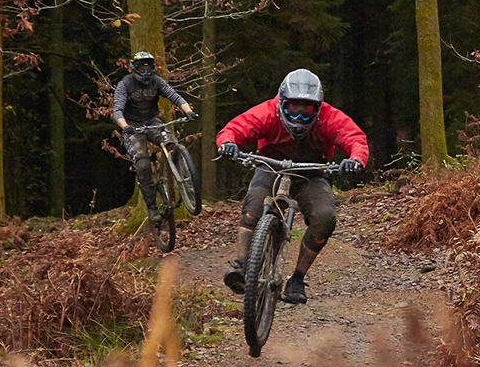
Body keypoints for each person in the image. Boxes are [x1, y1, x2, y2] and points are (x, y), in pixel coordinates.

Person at [216, 68, 368, 304]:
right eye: (292, 109)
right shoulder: (267, 112)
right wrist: (228, 143)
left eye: (306, 111)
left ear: (317, 108)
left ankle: (297, 278)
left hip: (312, 173)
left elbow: (353, 137)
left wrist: (356, 159)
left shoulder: (330, 117)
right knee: (253, 206)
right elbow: (236, 128)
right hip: (271, 167)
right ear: (281, 103)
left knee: (325, 217)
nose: (298, 118)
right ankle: (243, 265)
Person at [113, 51, 198, 222]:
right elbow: (117, 110)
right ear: (133, 68)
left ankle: (186, 183)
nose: (145, 70)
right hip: (132, 126)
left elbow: (174, 96)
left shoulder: (157, 81)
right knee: (143, 165)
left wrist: (188, 111)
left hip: (152, 121)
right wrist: (125, 126)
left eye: (148, 66)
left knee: (171, 143)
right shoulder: (125, 84)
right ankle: (151, 207)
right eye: (141, 66)